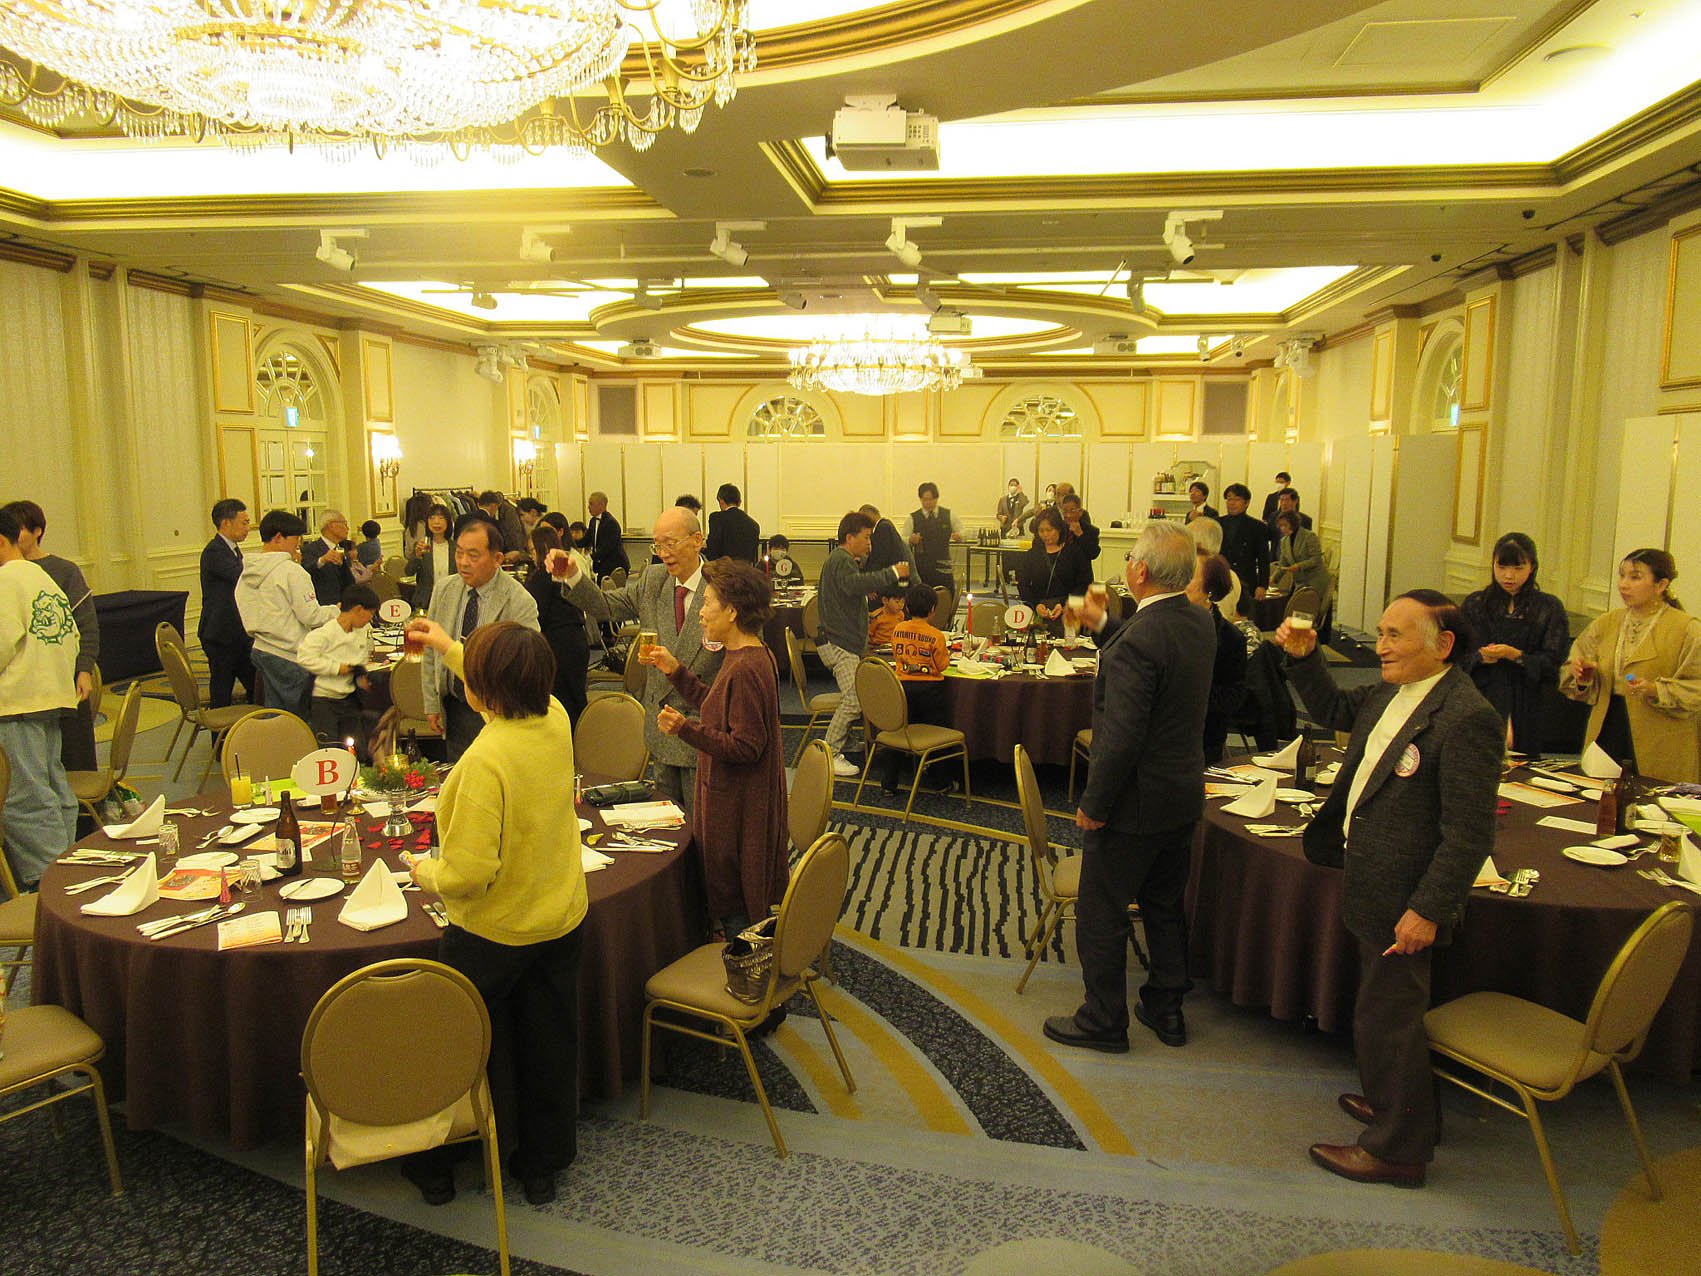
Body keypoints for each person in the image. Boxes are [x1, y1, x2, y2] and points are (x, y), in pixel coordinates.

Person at [1273, 591, 1501, 1188]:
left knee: (1391, 1019)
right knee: (1377, 1010)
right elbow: (1332, 707)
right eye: (1380, 633)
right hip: (1370, 878)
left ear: (1443, 645)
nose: (1380, 646)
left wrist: (1428, 909)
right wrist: (1305, 657)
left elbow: (1469, 833)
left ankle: (1398, 1151)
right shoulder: (1391, 693)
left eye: (1395, 635)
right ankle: (1395, 1105)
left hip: (1406, 895)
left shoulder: (1466, 717)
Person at [401, 618, 587, 1209]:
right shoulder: (555, 718)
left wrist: (422, 870)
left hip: (494, 932)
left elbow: (467, 874)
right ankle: (541, 1167)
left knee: (453, 1043)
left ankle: (435, 1166)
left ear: (481, 691)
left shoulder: (483, 762)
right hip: (559, 916)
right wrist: (445, 646)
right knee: (548, 1044)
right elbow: (505, 678)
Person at [1043, 521, 1213, 1055]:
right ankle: (1167, 1008)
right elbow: (1153, 646)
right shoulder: (1198, 621)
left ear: (1138, 570)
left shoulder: (1138, 641)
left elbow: (1120, 738)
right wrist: (1103, 625)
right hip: (1182, 792)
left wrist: (1094, 804)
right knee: (1164, 904)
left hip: (1133, 802)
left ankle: (1103, 1019)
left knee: (1102, 911)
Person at [639, 559, 788, 939]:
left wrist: (685, 729)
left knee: (737, 912)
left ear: (732, 611)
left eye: (707, 604)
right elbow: (719, 707)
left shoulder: (745, 668)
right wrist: (676, 672)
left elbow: (747, 746)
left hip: (736, 811)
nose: (701, 613)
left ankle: (747, 968)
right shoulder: (747, 656)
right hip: (735, 804)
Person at [547, 506, 721, 812]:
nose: (663, 553)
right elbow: (605, 606)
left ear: (697, 540)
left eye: (671, 543)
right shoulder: (654, 580)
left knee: (704, 822)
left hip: (703, 729)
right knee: (667, 821)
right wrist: (573, 576)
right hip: (661, 727)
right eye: (658, 545)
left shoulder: (722, 586)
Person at [1560, 547, 1701, 781]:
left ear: (1661, 585)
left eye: (1635, 577)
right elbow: (1572, 669)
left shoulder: (1686, 629)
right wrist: (1583, 678)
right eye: (1622, 576)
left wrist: (1656, 689)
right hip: (1608, 727)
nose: (1623, 585)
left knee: (1652, 797)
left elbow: (1696, 687)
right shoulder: (1606, 623)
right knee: (1599, 795)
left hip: (1661, 735)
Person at [0, 505, 79, 889]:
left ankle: (50, 884)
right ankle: (67, 867)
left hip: (18, 702)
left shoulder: (6, 581)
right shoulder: (41, 577)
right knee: (53, 789)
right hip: (49, 697)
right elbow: (71, 637)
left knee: (26, 798)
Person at [422, 514, 541, 761]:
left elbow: (528, 664)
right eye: (459, 553)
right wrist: (432, 703)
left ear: (497, 559)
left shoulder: (518, 601)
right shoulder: (444, 589)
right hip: (454, 706)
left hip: (496, 710)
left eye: (473, 555)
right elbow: (431, 651)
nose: (463, 563)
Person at [1, 500, 100, 772]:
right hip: (38, 692)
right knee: (49, 773)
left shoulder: (58, 572)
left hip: (38, 693)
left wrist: (83, 670)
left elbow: (82, 628)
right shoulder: (25, 575)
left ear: (37, 531)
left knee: (42, 776)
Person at [816, 510, 911, 777]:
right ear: (850, 538)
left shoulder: (842, 560)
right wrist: (892, 572)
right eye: (866, 537)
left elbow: (850, 588)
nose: (870, 543)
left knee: (857, 695)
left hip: (844, 641)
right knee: (856, 698)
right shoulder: (842, 559)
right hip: (840, 643)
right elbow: (854, 585)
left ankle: (845, 741)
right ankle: (830, 752)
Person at [1457, 533, 1570, 756]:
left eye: (1518, 568)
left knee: (1522, 761)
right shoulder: (1475, 604)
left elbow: (1554, 663)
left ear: (1532, 567)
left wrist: (1516, 655)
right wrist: (1480, 657)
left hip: (1525, 698)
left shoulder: (1548, 607)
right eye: (1502, 567)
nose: (1509, 576)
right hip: (1480, 693)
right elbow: (1454, 657)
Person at [235, 509, 336, 722]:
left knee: (277, 717)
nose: (298, 545)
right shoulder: (292, 572)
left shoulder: (247, 572)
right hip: (290, 655)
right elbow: (311, 616)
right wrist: (337, 610)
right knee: (305, 719)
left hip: (262, 649)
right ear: (279, 537)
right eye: (296, 538)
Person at [887, 582, 954, 794]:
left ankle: (889, 782)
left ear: (907, 607)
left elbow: (896, 654)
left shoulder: (898, 629)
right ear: (933, 609)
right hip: (930, 690)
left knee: (898, 732)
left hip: (902, 688)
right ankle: (940, 781)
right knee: (937, 733)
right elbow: (942, 665)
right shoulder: (936, 635)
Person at [297, 584, 377, 752]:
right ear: (358, 609)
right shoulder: (324, 633)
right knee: (329, 749)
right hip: (324, 700)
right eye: (370, 613)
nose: (370, 619)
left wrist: (361, 676)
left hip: (349, 698)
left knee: (356, 749)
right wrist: (336, 668)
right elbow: (304, 657)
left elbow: (362, 659)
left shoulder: (362, 632)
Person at [525, 522, 588, 726]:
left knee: (562, 703)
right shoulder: (563, 570)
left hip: (558, 645)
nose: (531, 556)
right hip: (577, 640)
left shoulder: (543, 575)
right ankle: (583, 739)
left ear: (542, 548)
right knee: (576, 698)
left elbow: (535, 614)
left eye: (532, 550)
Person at [1188, 554, 1249, 764]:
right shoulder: (1164, 624)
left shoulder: (1230, 638)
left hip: (1203, 738)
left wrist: (1189, 696)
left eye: (1190, 576)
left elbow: (1234, 696)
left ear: (1210, 590)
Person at [199, 498, 257, 710]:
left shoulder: (233, 550)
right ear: (226, 523)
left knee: (256, 685)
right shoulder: (214, 551)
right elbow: (239, 576)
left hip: (237, 632)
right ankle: (220, 731)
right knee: (222, 692)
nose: (248, 528)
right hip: (220, 634)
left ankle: (254, 725)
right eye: (244, 522)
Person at [1016, 507, 1093, 625]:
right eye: (1041, 531)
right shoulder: (1032, 555)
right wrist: (1036, 604)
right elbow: (1023, 584)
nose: (1045, 535)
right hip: (1039, 613)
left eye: (1049, 530)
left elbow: (1084, 584)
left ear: (1059, 529)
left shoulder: (1075, 553)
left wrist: (1064, 604)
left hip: (1069, 613)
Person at [1216, 483, 1270, 620]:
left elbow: (1263, 559)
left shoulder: (1257, 527)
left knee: (1245, 618)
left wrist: (1262, 585)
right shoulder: (1217, 523)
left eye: (1237, 499)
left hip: (1246, 580)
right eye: (1229, 499)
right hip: (1222, 579)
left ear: (1246, 503)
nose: (1232, 503)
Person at [301, 510, 365, 606]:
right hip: (323, 605)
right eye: (344, 524)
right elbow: (305, 570)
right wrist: (322, 560)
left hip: (344, 604)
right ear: (331, 525)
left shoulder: (342, 550)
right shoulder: (311, 549)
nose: (347, 528)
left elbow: (349, 581)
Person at [908, 482, 963, 591]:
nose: (927, 502)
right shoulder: (912, 518)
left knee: (946, 595)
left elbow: (962, 531)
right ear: (920, 499)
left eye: (930, 499)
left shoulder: (949, 515)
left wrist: (959, 536)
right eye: (924, 499)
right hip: (921, 567)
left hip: (943, 566)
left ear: (936, 498)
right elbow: (903, 539)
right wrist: (910, 540)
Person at [1270, 509, 1329, 601]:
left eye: (1285, 525)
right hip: (1300, 582)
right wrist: (1273, 578)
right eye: (1280, 526)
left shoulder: (1309, 536)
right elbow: (1283, 563)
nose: (1282, 528)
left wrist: (1299, 566)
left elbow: (1316, 559)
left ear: (1293, 524)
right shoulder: (1284, 541)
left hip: (1316, 580)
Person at [405, 503, 455, 610]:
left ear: (448, 522)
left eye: (441, 518)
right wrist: (417, 556)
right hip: (426, 601)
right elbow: (409, 572)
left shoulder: (455, 547)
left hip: (451, 599)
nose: (436, 522)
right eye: (432, 518)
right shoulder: (423, 546)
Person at [704, 483, 761, 565]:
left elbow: (713, 547)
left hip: (723, 568)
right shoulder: (754, 524)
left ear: (721, 500)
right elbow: (753, 554)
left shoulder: (717, 518)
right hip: (745, 569)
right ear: (739, 502)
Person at [859, 504, 913, 578]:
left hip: (892, 576)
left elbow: (880, 558)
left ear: (869, 516)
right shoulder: (886, 525)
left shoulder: (883, 528)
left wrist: (867, 574)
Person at [475, 490, 528, 562]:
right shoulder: (495, 516)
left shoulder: (508, 511)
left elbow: (514, 532)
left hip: (507, 552)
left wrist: (517, 551)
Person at [585, 491, 628, 580]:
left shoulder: (611, 523)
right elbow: (586, 539)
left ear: (601, 505)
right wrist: (570, 543)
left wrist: (589, 558)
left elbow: (606, 548)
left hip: (614, 566)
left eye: (591, 504)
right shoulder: (593, 521)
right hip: (603, 564)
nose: (588, 507)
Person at [1058, 492, 1100, 563]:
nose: (1068, 515)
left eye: (1072, 511)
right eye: (1065, 511)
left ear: (1080, 512)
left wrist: (1080, 534)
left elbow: (1094, 553)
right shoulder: (1058, 528)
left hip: (1081, 568)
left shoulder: (1091, 530)